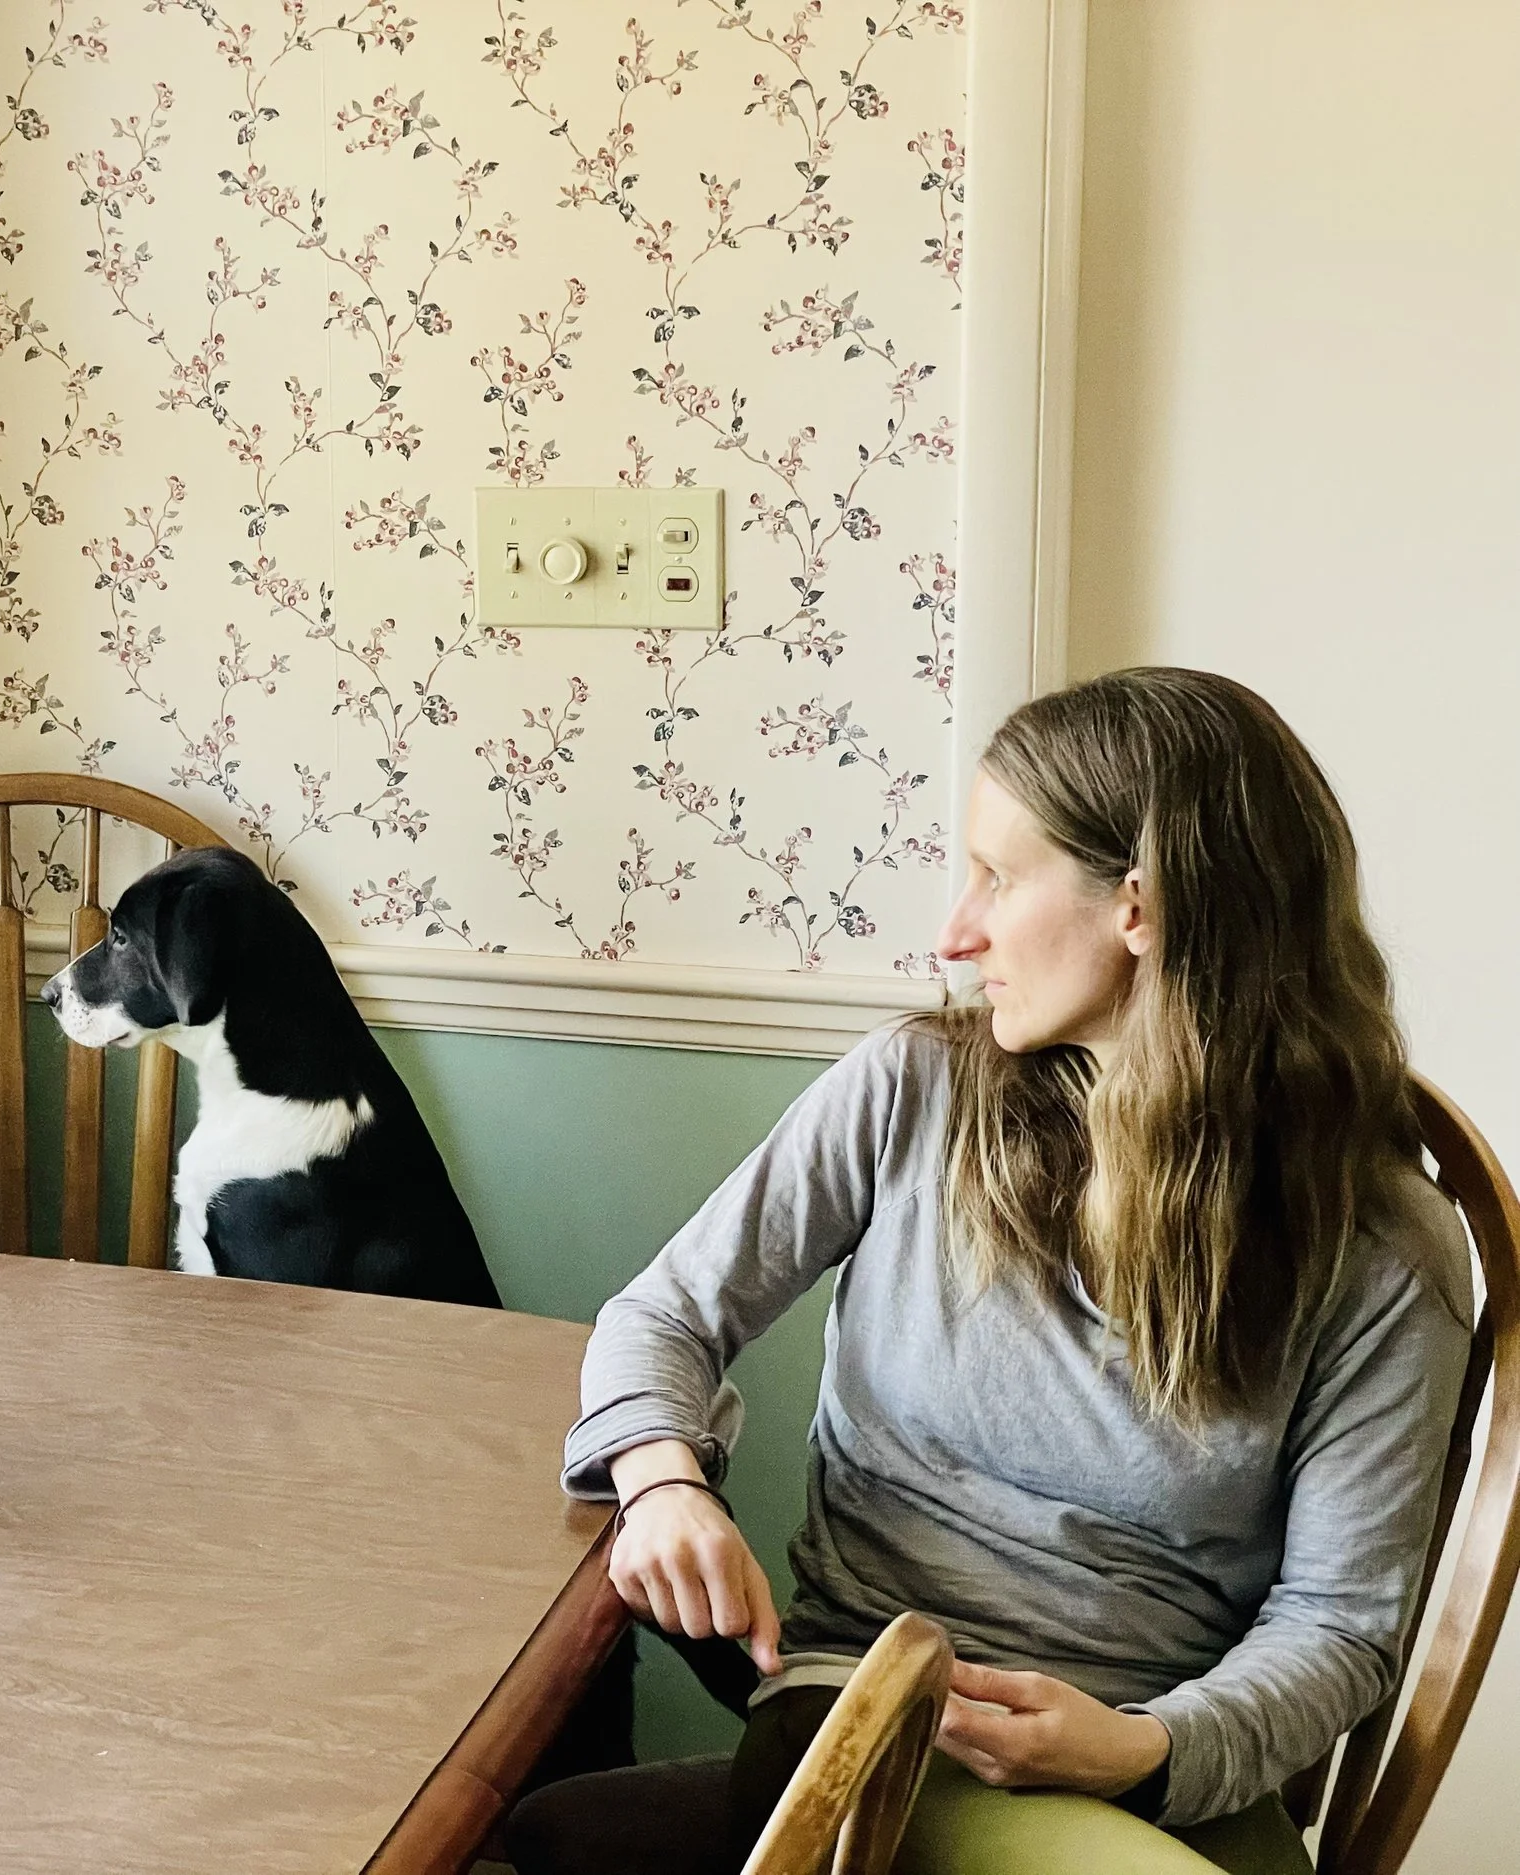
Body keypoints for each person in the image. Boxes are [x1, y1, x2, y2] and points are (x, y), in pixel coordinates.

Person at [503, 669, 1472, 1875]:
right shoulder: (910, 1096)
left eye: (998, 879)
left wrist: (1138, 1748)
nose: (955, 933)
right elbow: (663, 1315)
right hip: (874, 1707)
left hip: (1172, 1769)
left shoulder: (1383, 1249)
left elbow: (1338, 1627)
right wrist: (661, 1480)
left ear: (1142, 906)